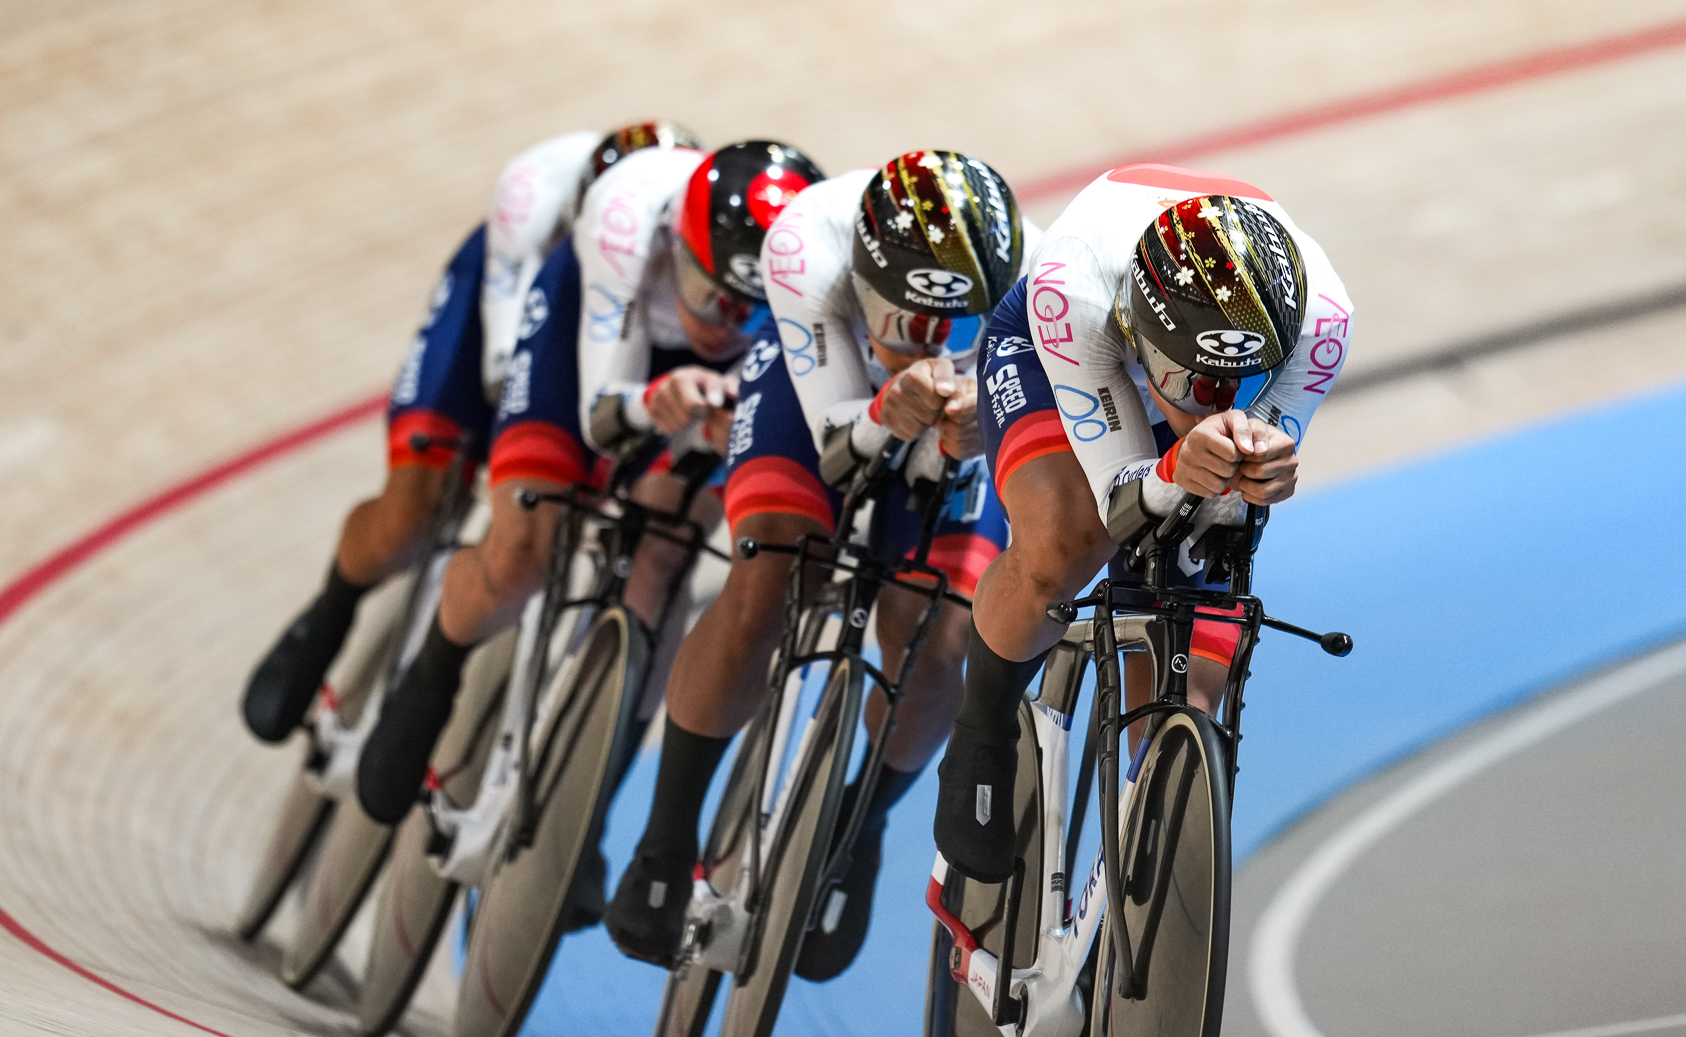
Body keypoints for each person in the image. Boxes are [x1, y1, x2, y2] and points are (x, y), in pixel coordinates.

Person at [603, 150, 1036, 978]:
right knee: (770, 573)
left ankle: (858, 825)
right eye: (905, 319)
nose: (924, 340)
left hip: (958, 422)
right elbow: (837, 441)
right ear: (863, 278)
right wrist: (882, 411)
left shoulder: (1034, 286)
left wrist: (980, 412)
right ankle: (665, 843)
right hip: (820, 393)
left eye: (947, 322)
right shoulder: (806, 246)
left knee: (944, 638)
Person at [352, 140, 824, 844]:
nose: (724, 320)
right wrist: (652, 401)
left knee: (668, 556)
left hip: (703, 383)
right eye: (712, 296)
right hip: (593, 335)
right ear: (677, 246)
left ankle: (587, 815)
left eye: (747, 309)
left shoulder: (799, 280)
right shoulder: (625, 223)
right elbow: (601, 412)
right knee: (522, 552)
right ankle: (434, 669)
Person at [932, 164, 1353, 883]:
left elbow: (1237, 484)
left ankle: (1140, 885)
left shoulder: (1322, 321)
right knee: (1067, 543)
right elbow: (1117, 501)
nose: (1215, 402)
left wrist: (1263, 470)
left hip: (1206, 342)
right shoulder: (1077, 289)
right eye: (1194, 383)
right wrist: (1167, 469)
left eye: (1240, 384)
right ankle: (983, 728)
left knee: (1201, 625)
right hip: (1066, 359)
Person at [240, 122, 702, 744]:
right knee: (410, 516)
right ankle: (330, 612)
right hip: (499, 314)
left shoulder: (678, 253)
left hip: (631, 330)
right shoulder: (534, 196)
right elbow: (504, 367)